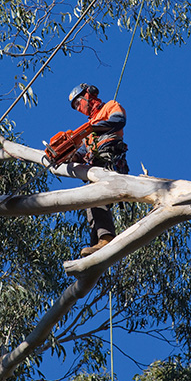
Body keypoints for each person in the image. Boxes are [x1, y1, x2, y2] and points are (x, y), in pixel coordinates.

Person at [68, 83, 129, 257]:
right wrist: (67, 153)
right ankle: (97, 245)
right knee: (90, 202)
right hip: (95, 166)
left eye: (78, 103)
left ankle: (106, 239)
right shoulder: (87, 130)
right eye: (75, 108)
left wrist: (93, 128)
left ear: (89, 95)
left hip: (110, 161)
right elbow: (80, 154)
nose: (79, 109)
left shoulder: (110, 106)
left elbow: (118, 121)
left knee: (97, 196)